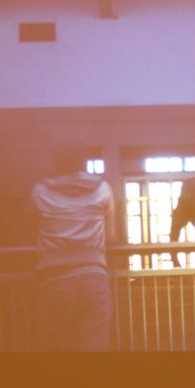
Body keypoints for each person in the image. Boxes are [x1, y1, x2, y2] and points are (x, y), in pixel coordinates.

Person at [32, 141, 117, 351]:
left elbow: (30, 231)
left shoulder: (40, 191)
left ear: (55, 163)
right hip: (94, 277)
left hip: (55, 281)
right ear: (84, 163)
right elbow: (111, 235)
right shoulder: (103, 189)